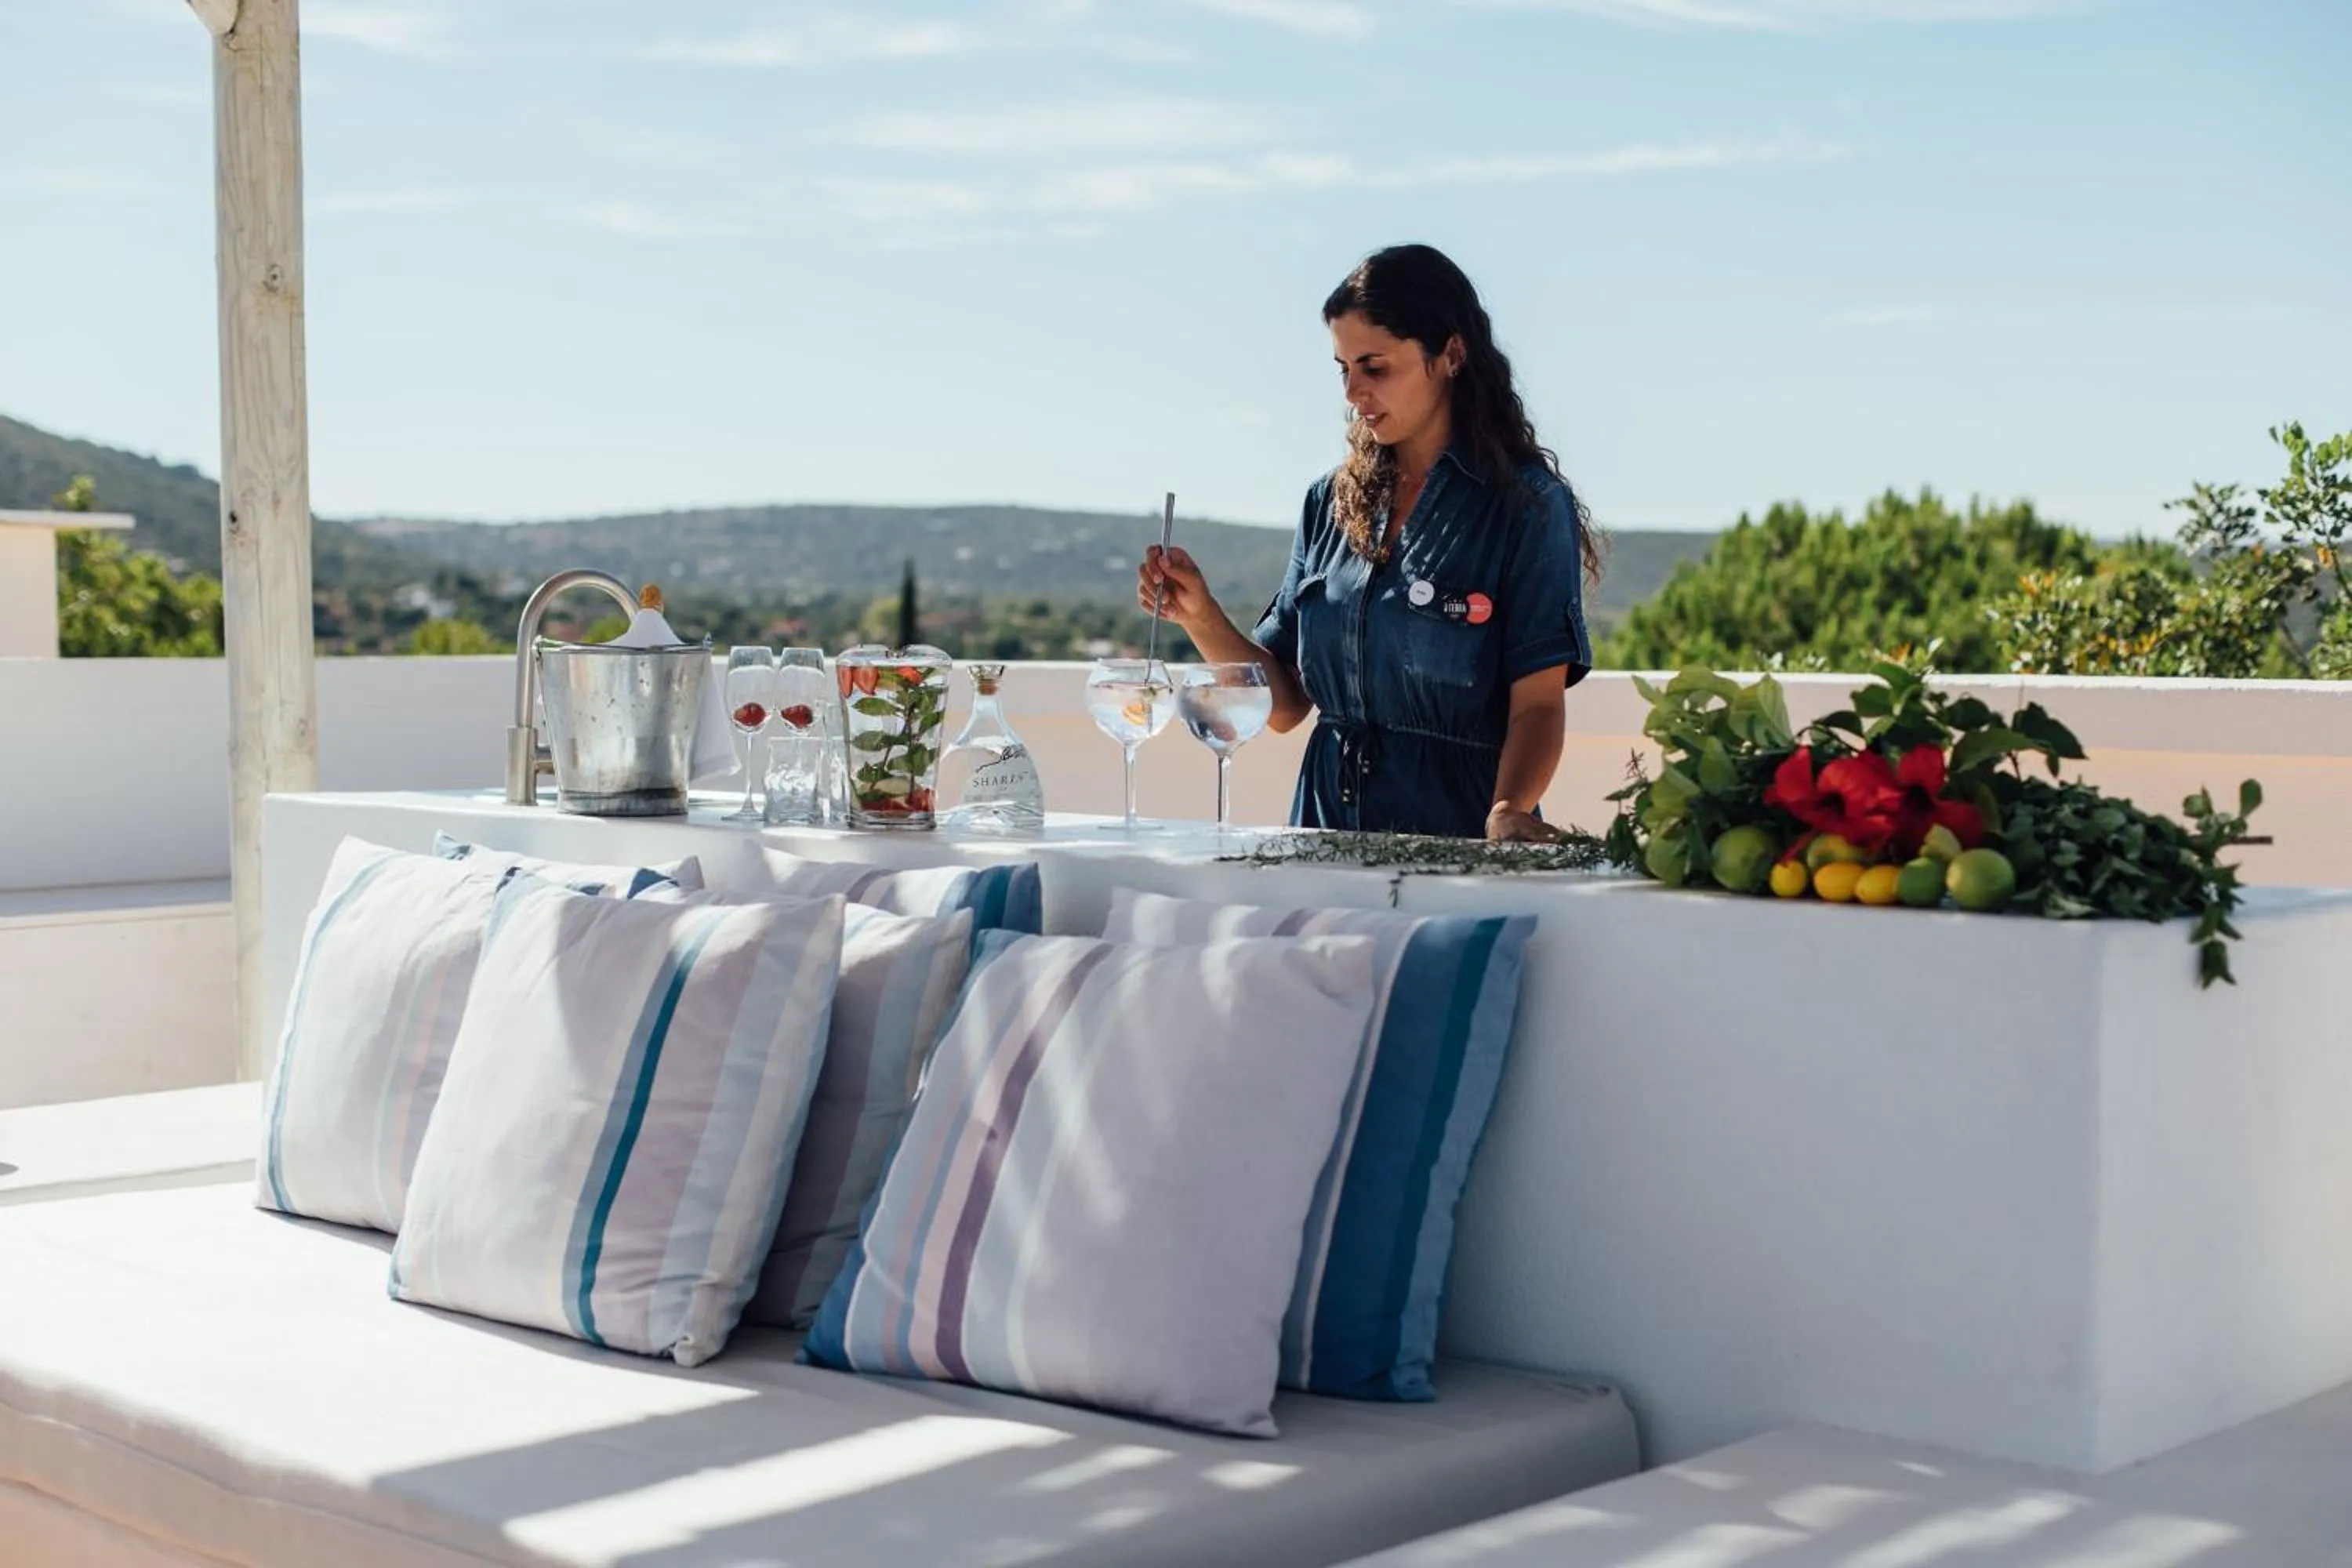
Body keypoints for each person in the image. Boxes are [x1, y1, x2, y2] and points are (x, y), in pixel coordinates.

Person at [1140, 243, 1600, 841]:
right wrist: (1199, 615)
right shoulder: (1327, 503)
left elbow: (1538, 706)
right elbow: (1285, 707)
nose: (1353, 392)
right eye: (1344, 368)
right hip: (1321, 841)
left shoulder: (1527, 507)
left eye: (1375, 367)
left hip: (1458, 847)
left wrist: (1509, 808)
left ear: (1452, 354)